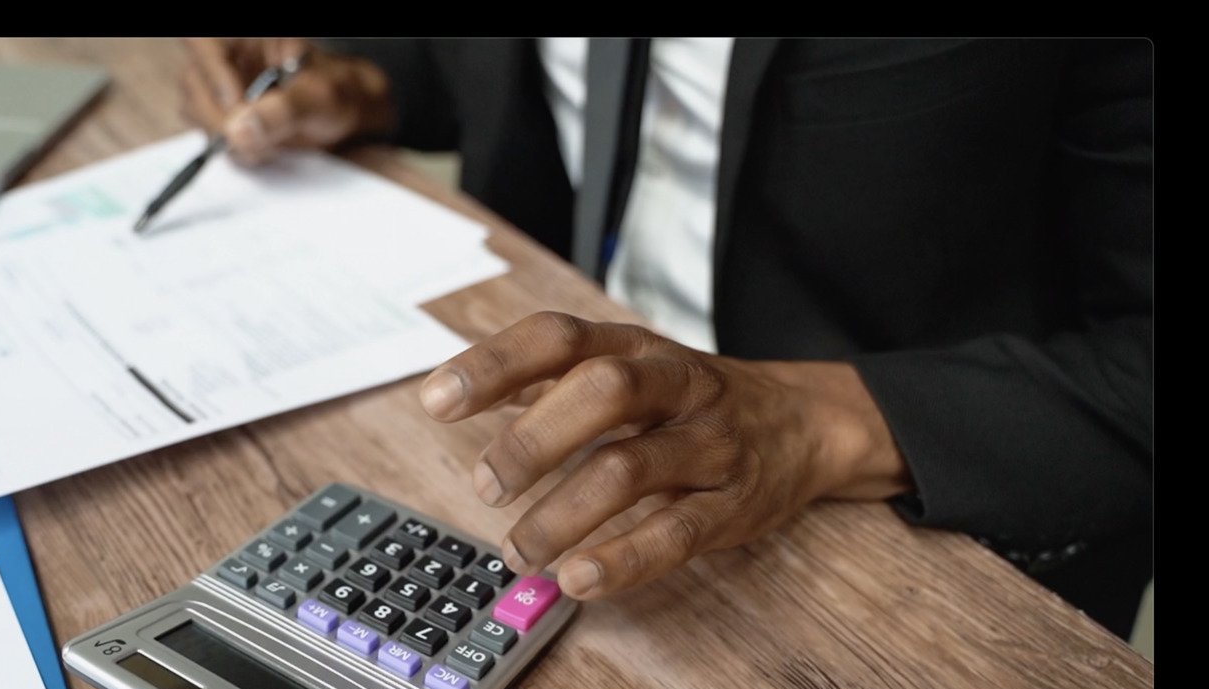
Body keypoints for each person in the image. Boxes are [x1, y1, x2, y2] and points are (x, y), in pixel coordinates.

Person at [179, 38, 1153, 637]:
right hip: (552, 432)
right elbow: (479, 59)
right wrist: (362, 76)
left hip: (919, 541)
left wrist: (814, 423)